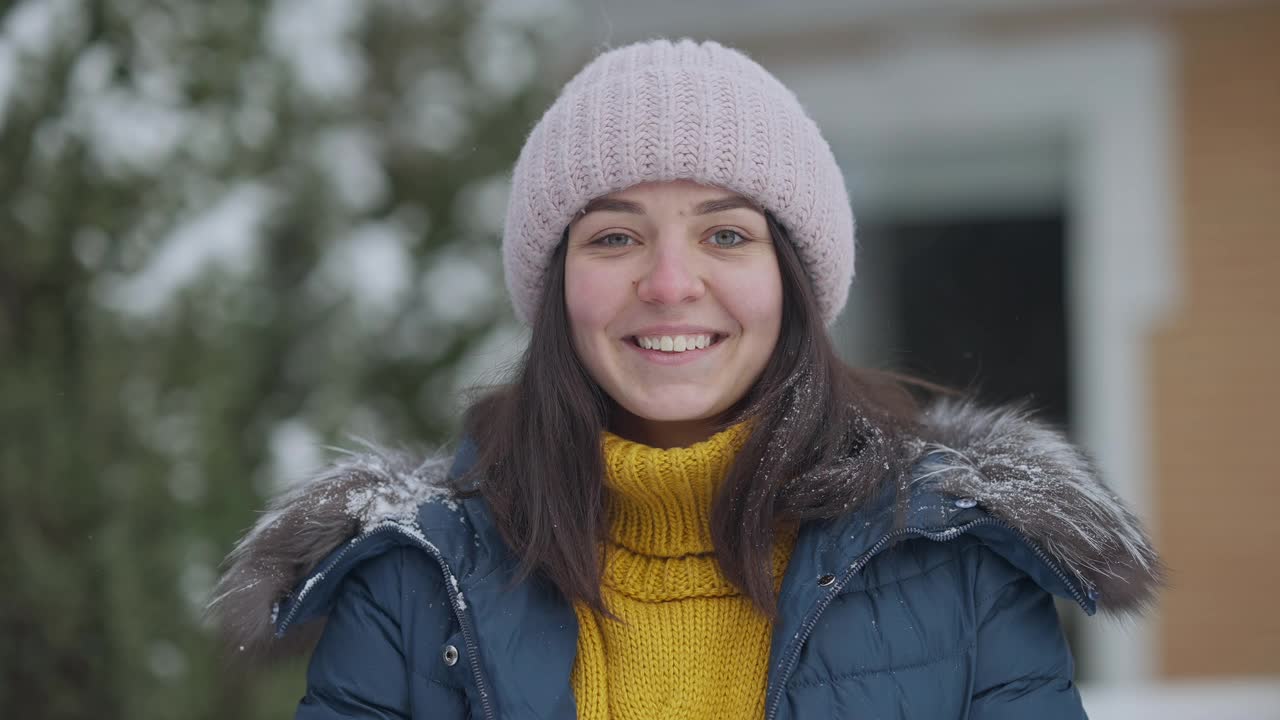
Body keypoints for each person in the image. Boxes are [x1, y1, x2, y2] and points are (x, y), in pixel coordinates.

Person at [211, 38, 1163, 719]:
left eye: (726, 234)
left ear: (791, 281)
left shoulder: (955, 563)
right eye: (616, 236)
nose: (670, 284)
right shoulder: (417, 582)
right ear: (555, 290)